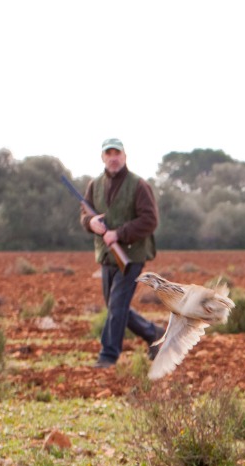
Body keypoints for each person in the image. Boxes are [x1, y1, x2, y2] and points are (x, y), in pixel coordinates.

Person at [81, 139, 161, 368]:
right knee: (116, 307)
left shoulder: (139, 185)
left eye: (117, 153)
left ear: (125, 156)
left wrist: (119, 234)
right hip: (107, 256)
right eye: (109, 154)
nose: (113, 158)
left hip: (131, 256)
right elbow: (85, 214)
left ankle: (108, 356)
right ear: (103, 157)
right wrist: (90, 223)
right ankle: (154, 333)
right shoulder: (94, 185)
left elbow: (150, 220)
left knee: (117, 307)